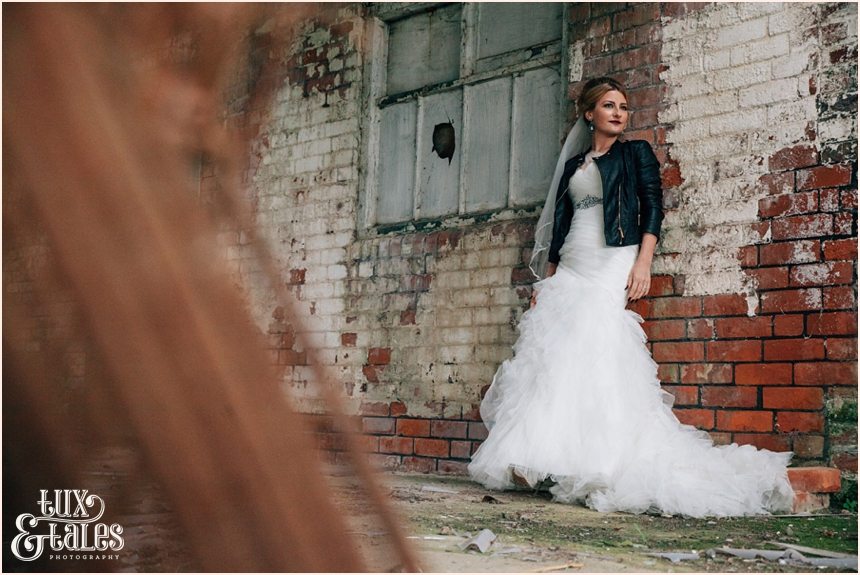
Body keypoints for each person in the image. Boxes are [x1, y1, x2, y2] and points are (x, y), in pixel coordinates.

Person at [467, 76, 795, 517]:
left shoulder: (635, 153)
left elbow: (652, 205)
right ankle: (551, 458)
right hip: (572, 262)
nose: (619, 112)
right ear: (590, 114)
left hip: (613, 259)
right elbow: (561, 222)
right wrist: (546, 280)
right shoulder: (574, 166)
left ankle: (601, 462)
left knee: (599, 345)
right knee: (555, 355)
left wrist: (644, 262)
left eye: (623, 105)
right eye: (608, 105)